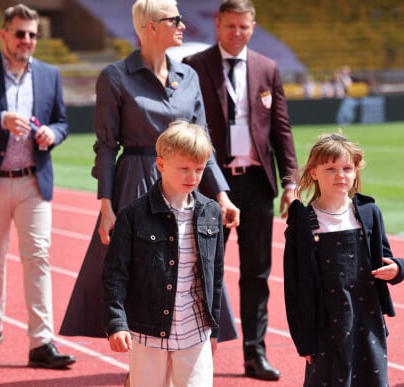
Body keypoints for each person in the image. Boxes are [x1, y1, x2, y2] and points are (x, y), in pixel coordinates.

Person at [60, 0, 240, 345]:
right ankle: (141, 366)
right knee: (139, 272)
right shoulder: (114, 77)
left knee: (191, 266)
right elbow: (107, 146)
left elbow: (205, 143)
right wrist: (106, 206)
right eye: (175, 19)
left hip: (186, 186)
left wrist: (221, 194)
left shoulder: (189, 77)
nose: (183, 25)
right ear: (150, 26)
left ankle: (187, 355)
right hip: (135, 181)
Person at [0, 3, 75, 369]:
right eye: (20, 33)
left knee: (38, 258)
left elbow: (62, 122)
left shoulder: (50, 74)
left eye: (33, 34)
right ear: (4, 34)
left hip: (33, 182)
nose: (27, 40)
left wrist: (53, 134)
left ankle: (42, 341)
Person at [183, 0, 298, 380]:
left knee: (256, 274)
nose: (236, 34)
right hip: (212, 185)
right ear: (217, 25)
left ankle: (255, 353)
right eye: (230, 26)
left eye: (243, 27)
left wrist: (290, 182)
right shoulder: (195, 67)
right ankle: (202, 353)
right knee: (207, 272)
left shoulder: (267, 68)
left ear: (253, 27)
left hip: (256, 184)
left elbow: (281, 129)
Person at [103, 120, 224, 387]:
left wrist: (214, 328)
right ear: (161, 164)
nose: (192, 177)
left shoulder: (211, 212)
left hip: (195, 330)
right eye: (183, 169)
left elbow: (215, 276)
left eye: (199, 169)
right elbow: (115, 275)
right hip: (148, 331)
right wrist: (116, 322)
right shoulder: (133, 215)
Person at [283, 131, 404, 386]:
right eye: (330, 169)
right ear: (314, 172)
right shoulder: (303, 223)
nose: (340, 175)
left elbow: (385, 257)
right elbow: (295, 286)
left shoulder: (369, 213)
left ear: (355, 172)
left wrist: (398, 269)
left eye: (346, 168)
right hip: (326, 323)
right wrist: (304, 339)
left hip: (368, 317)